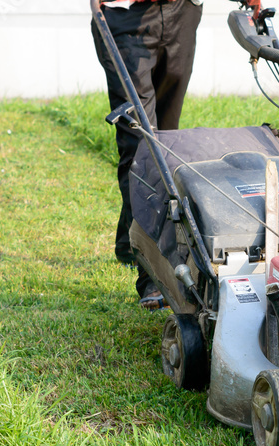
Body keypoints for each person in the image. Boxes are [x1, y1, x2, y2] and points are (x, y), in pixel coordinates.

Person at [91, 0, 203, 309]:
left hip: (183, 11)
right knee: (142, 145)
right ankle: (153, 276)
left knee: (166, 139)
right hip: (127, 14)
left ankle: (130, 240)